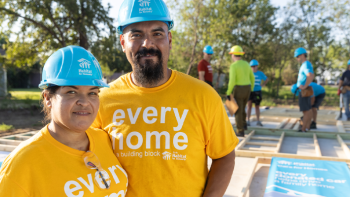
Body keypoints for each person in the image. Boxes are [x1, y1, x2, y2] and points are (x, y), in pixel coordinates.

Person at [92, 0, 239, 196]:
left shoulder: (203, 96)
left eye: (157, 33)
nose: (147, 43)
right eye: (136, 35)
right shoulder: (102, 99)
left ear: (169, 39)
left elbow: (224, 156)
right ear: (122, 42)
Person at [0, 46, 128, 196]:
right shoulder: (21, 166)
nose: (84, 102)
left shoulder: (104, 140)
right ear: (47, 98)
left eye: (92, 93)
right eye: (71, 92)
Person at [226, 45, 255, 136]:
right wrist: (252, 90)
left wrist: (228, 92)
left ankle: (240, 130)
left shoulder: (233, 66)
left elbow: (232, 81)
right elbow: (252, 78)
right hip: (248, 88)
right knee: (243, 108)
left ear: (233, 55)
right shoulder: (246, 64)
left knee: (238, 110)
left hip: (238, 89)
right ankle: (244, 125)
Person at [294, 47, 314, 132]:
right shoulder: (306, 64)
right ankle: (307, 128)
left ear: (302, 55)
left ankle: (303, 129)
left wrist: (304, 86)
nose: (296, 58)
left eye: (297, 56)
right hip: (304, 91)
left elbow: (310, 75)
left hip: (303, 91)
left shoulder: (305, 64)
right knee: (308, 110)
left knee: (306, 111)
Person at [247, 59, 268, 127]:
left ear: (257, 66)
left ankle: (258, 121)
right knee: (249, 106)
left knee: (257, 106)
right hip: (250, 91)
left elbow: (266, 79)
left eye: (254, 66)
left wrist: (262, 85)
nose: (253, 67)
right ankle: (248, 121)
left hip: (258, 92)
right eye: (252, 66)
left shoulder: (260, 73)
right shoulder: (249, 73)